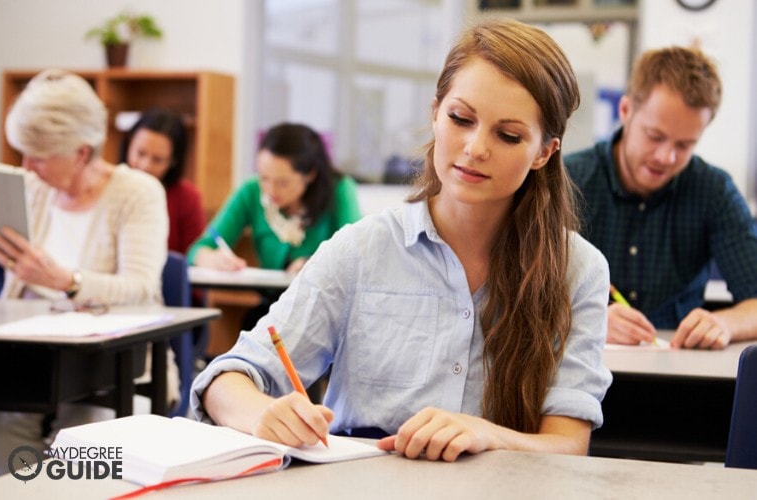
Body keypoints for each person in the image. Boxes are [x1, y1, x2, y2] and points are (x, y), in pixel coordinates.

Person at [191, 19, 612, 461]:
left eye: (508, 135)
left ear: (544, 152)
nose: (474, 147)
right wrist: (262, 414)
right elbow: (226, 379)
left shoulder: (577, 270)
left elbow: (568, 444)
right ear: (435, 113)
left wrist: (488, 434)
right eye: (460, 118)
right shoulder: (361, 250)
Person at [0, 69, 171, 477]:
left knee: (84, 455)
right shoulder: (34, 188)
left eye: (38, 155)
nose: (26, 166)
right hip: (33, 361)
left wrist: (67, 282)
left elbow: (141, 288)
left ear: (82, 152)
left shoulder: (138, 193)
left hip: (112, 367)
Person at [565, 46, 757, 350]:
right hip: (582, 365)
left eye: (685, 145)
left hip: (677, 373)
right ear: (625, 111)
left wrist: (724, 322)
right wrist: (583, 318)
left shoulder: (714, 191)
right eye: (655, 136)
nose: (666, 157)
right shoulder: (567, 181)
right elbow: (514, 292)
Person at [187, 122, 362, 275]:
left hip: (324, 305)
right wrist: (211, 258)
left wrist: (315, 265)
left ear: (310, 174)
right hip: (271, 304)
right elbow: (198, 249)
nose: (270, 190)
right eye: (264, 178)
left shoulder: (339, 189)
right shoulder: (251, 190)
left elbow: (356, 254)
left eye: (283, 183)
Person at [119, 107, 206, 255]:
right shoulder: (108, 185)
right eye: (140, 153)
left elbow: (194, 253)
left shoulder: (187, 197)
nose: (145, 166)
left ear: (172, 161)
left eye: (158, 160)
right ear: (128, 146)